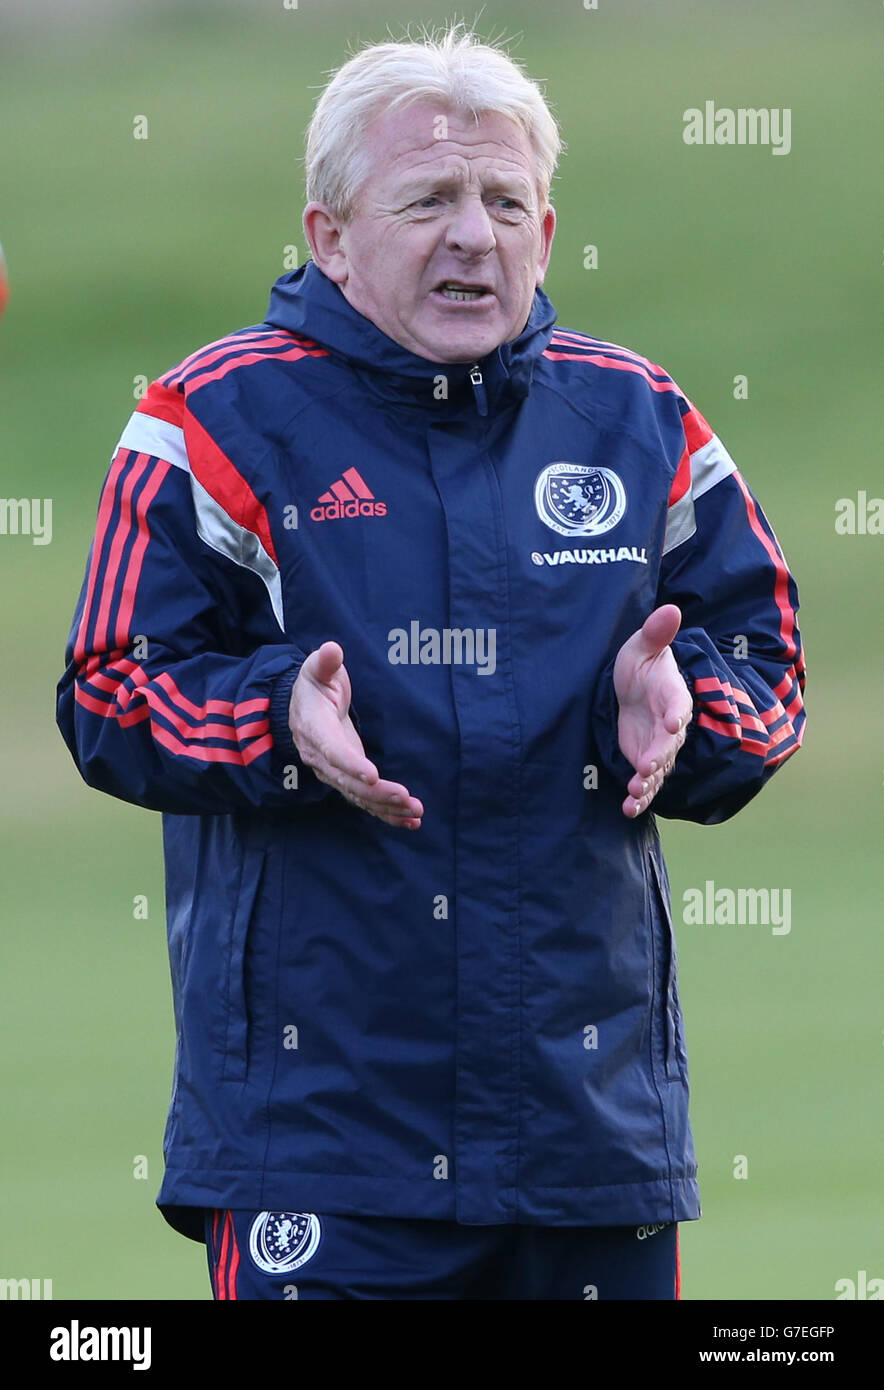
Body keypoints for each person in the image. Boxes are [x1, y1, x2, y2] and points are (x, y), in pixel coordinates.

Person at [56, 25, 806, 1301]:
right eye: (428, 200)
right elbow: (111, 688)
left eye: (503, 200)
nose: (474, 234)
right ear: (330, 232)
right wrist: (274, 716)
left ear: (547, 232)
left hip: (589, 1142)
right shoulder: (210, 417)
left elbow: (765, 669)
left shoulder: (640, 419)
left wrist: (689, 710)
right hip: (320, 1146)